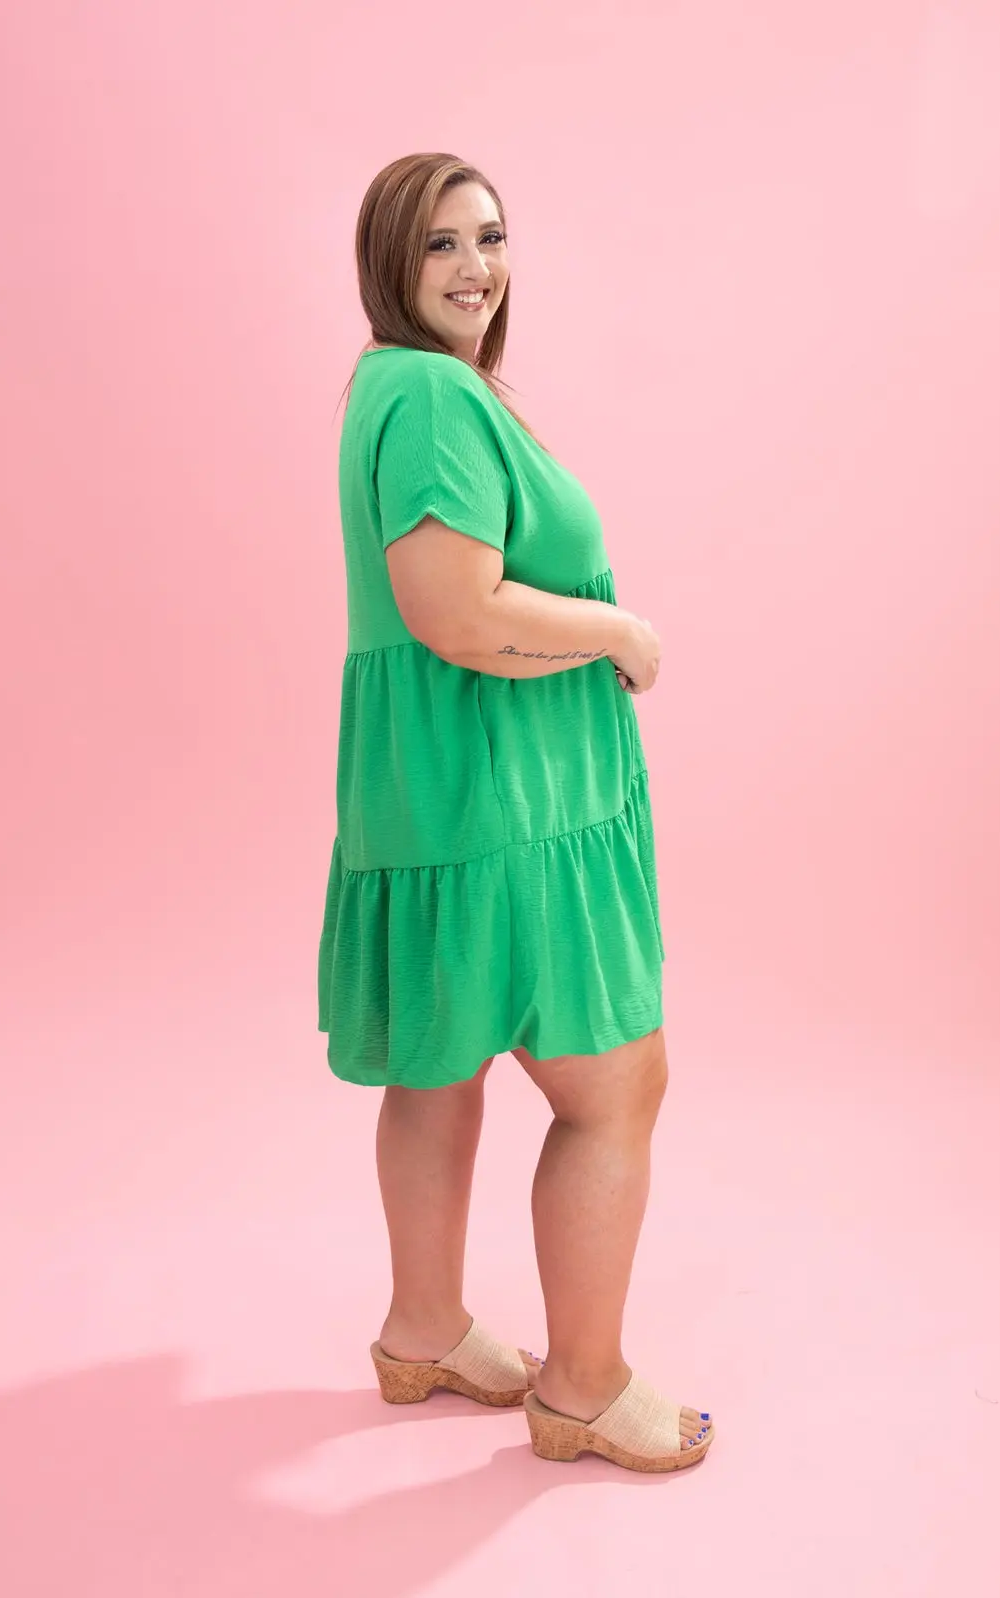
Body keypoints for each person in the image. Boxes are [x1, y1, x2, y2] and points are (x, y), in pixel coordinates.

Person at [317, 152, 713, 1472]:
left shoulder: (396, 385)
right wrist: (620, 634)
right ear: (389, 262)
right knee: (615, 1086)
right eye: (440, 243)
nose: (476, 265)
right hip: (505, 800)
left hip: (439, 792)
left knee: (441, 1067)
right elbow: (456, 611)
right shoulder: (434, 395)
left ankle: (423, 1328)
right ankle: (584, 1388)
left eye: (489, 236)